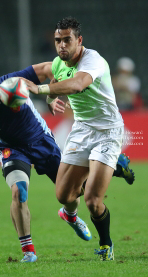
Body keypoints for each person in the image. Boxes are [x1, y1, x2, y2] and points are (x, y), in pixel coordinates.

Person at [0, 62, 134, 263]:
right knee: (18, 191)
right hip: (12, 150)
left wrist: (50, 95)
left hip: (41, 141)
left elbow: (49, 68)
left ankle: (71, 214)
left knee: (75, 192)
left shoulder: (10, 83)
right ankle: (28, 252)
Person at [24, 16, 133, 261]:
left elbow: (77, 84)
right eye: (57, 40)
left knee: (94, 200)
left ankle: (106, 244)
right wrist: (52, 98)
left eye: (67, 40)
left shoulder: (92, 60)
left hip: (107, 131)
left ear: (79, 40)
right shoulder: (58, 62)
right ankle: (116, 168)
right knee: (64, 195)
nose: (61, 45)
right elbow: (55, 79)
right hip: (82, 130)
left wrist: (41, 91)